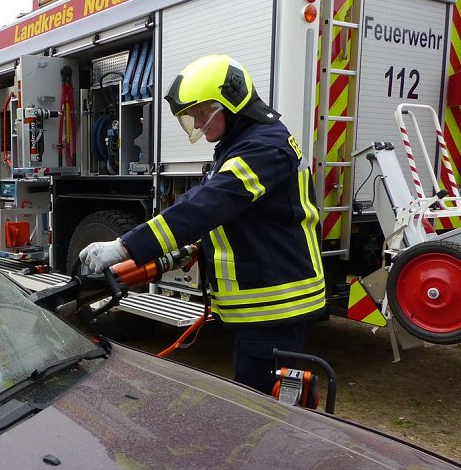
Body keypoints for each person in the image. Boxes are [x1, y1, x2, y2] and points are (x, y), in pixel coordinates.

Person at [79, 54, 325, 395]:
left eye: (201, 112)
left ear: (231, 101)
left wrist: (124, 246)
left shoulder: (264, 147)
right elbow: (234, 210)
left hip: (276, 306)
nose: (198, 122)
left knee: (262, 413)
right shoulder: (244, 141)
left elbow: (206, 206)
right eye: (192, 115)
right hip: (268, 303)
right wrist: (196, 247)